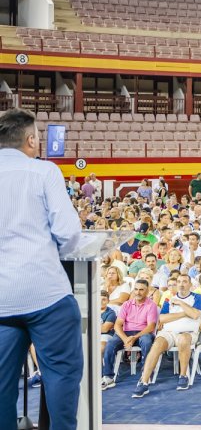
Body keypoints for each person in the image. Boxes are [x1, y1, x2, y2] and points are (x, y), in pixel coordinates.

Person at [0, 109, 84, 429]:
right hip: (45, 294)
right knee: (62, 378)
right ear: (31, 140)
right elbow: (69, 233)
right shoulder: (44, 171)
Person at [132, 275, 201, 397]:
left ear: (190, 284)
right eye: (179, 281)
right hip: (169, 333)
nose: (181, 284)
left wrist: (180, 303)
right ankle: (143, 382)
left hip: (189, 333)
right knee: (157, 344)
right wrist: (184, 313)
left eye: (185, 282)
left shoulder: (197, 297)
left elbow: (196, 314)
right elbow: (162, 318)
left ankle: (183, 376)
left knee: (183, 339)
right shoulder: (169, 299)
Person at [100, 278, 158, 390]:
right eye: (136, 289)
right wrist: (126, 339)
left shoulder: (151, 305)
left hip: (143, 332)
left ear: (147, 291)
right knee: (110, 343)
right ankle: (108, 377)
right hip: (126, 333)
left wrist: (134, 337)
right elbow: (117, 325)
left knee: (146, 341)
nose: (138, 292)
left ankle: (145, 374)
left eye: (141, 290)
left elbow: (150, 326)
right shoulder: (126, 304)